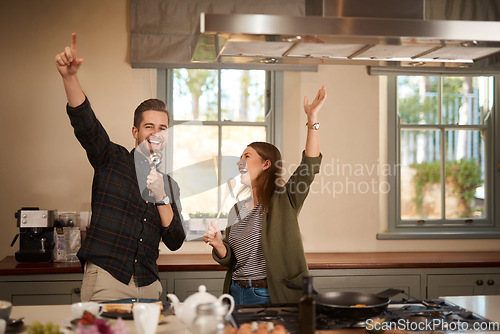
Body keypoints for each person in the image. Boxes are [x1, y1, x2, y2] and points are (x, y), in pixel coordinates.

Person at [55, 33, 185, 302]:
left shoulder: (170, 185)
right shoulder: (110, 159)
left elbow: (175, 240)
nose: (156, 133)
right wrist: (70, 77)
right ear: (136, 131)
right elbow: (86, 124)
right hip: (107, 279)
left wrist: (161, 197)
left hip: (149, 284)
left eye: (162, 128)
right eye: (149, 126)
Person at [203, 86, 327, 304]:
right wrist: (218, 244)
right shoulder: (236, 209)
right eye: (240, 156)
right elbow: (231, 259)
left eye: (247, 156)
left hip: (267, 295)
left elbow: (309, 165)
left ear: (266, 164)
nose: (240, 161)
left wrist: (312, 119)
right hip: (234, 294)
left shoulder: (284, 199)